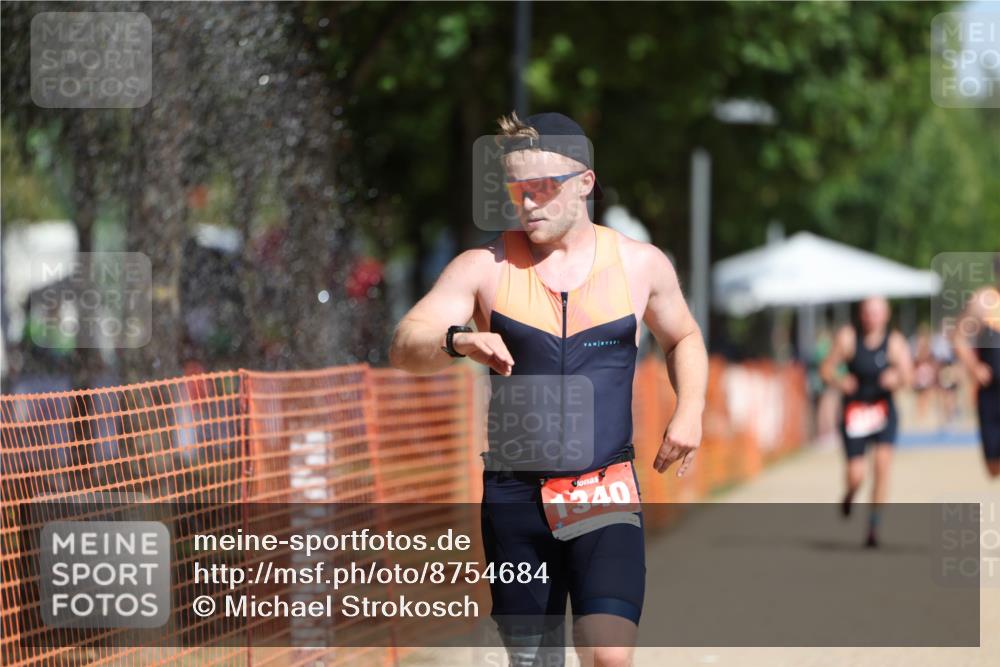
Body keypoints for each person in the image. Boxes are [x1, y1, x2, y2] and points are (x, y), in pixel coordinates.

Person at [389, 111, 708, 667]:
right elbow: (405, 343)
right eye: (517, 190)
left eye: (542, 188)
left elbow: (683, 337)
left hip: (603, 489)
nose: (527, 203)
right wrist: (458, 341)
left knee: (608, 652)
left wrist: (691, 410)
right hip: (515, 499)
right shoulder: (484, 267)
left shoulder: (639, 265)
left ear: (585, 182)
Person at [820, 297, 913, 548]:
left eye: (877, 313)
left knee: (882, 467)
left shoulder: (894, 342)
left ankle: (873, 525)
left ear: (886, 315)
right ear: (861, 315)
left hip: (883, 411)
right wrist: (841, 381)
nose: (872, 317)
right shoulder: (848, 337)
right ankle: (850, 495)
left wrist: (897, 377)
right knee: (856, 475)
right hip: (855, 412)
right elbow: (826, 369)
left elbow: (909, 375)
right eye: (868, 312)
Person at [951, 253, 1000, 479]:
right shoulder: (983, 301)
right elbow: (958, 337)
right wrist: (974, 367)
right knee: (993, 467)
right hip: (990, 393)